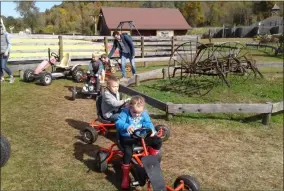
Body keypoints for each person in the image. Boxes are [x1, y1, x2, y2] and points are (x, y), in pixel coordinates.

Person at [115, 95, 162, 189]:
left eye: (139, 113)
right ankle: (125, 176)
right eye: (134, 112)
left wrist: (152, 130)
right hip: (127, 137)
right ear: (130, 107)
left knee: (157, 141)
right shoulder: (125, 112)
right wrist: (126, 126)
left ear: (143, 109)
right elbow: (118, 123)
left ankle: (151, 161)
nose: (137, 115)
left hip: (141, 137)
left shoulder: (144, 113)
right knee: (128, 153)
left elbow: (148, 123)